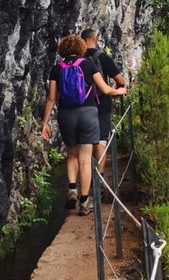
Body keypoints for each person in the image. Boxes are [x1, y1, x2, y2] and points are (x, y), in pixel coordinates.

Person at [41, 34, 127, 216]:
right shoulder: (88, 65)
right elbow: (105, 89)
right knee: (86, 160)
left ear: (63, 50)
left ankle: (72, 189)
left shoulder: (57, 69)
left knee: (71, 154)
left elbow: (51, 99)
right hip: (88, 113)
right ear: (81, 48)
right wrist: (120, 90)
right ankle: (84, 202)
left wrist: (45, 123)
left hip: (66, 114)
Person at [81, 28, 126, 185]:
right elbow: (120, 81)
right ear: (95, 39)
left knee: (85, 143)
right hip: (102, 103)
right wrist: (117, 90)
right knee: (101, 140)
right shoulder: (102, 58)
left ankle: (81, 182)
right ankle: (98, 178)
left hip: (81, 105)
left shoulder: (77, 59)